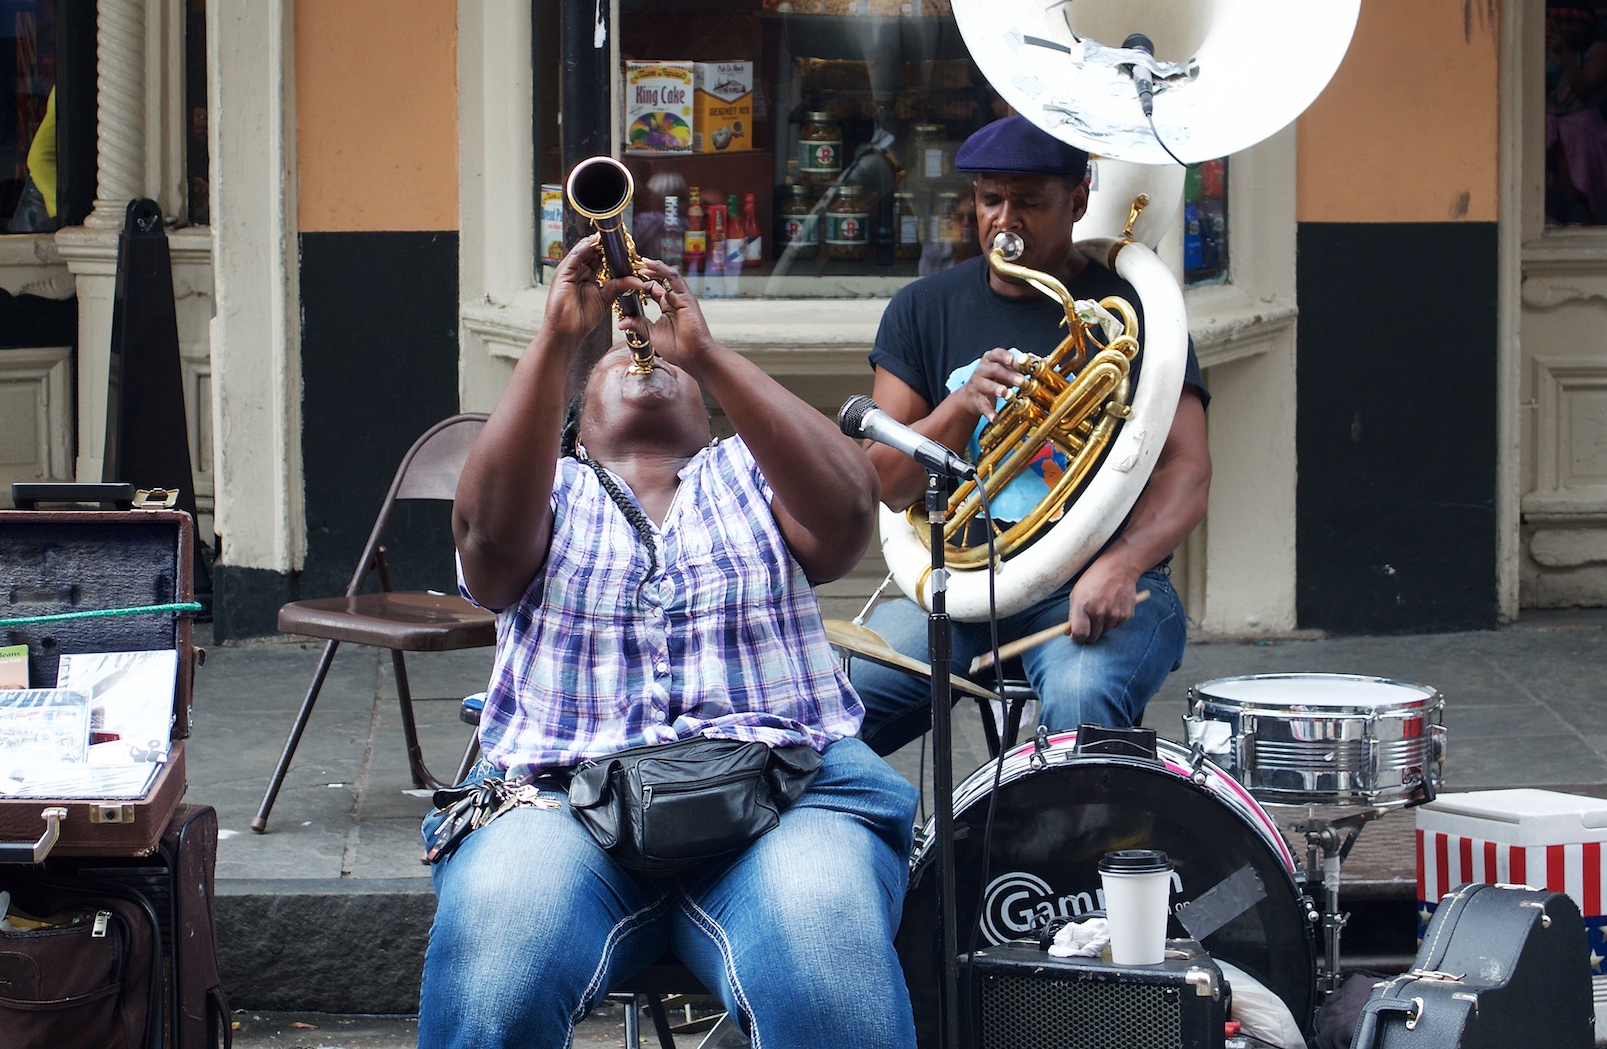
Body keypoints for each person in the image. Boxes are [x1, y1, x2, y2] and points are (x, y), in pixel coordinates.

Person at [419, 236, 918, 1049]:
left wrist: (709, 354)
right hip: (556, 804)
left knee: (829, 980)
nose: (639, 354)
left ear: (707, 410)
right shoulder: (552, 486)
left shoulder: (751, 470)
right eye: (611, 362)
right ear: (577, 422)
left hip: (788, 795)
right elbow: (484, 537)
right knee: (495, 977)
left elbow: (850, 512)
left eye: (666, 364)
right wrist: (556, 339)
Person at [848, 114, 1212, 753]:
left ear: (1078, 200)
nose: (1005, 221)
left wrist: (1124, 564)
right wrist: (961, 406)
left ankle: (1069, 852)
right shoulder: (923, 308)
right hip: (959, 585)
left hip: (1099, 577)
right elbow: (884, 479)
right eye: (992, 200)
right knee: (836, 704)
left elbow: (1187, 469)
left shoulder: (1138, 307)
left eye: (1030, 202)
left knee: (1082, 704)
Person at [1545, 5, 1607, 225]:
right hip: (1550, 127)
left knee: (1575, 198)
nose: (1565, 29)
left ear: (1587, 26)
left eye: (1572, 23)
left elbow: (1583, 89)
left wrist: (1564, 54)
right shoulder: (1547, 49)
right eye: (1559, 23)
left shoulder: (1600, 51)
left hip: (1580, 132)